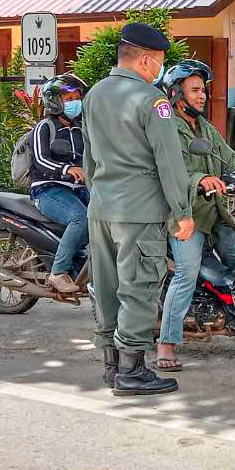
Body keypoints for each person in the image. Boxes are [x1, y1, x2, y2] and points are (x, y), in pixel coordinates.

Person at [81, 22, 195, 397]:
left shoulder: (94, 94)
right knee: (139, 289)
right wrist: (182, 212)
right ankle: (132, 371)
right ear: (146, 60)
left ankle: (112, 366)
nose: (159, 69)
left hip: (102, 209)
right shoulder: (153, 100)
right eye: (159, 61)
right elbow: (169, 161)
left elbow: (89, 157)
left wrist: (98, 196)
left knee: (107, 288)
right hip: (140, 211)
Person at [155, 59, 235, 372]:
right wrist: (200, 179)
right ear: (176, 94)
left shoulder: (205, 128)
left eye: (203, 90)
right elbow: (169, 170)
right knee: (186, 273)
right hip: (183, 215)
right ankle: (166, 343)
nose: (202, 95)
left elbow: (230, 159)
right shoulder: (167, 128)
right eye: (194, 90)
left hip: (216, 211)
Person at [29, 73, 90, 295]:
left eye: (77, 97)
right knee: (80, 218)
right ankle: (58, 271)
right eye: (69, 98)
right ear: (55, 101)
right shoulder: (44, 127)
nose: (75, 102)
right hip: (48, 188)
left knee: (107, 215)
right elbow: (40, 159)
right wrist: (66, 169)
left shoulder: (81, 128)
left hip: (78, 188)